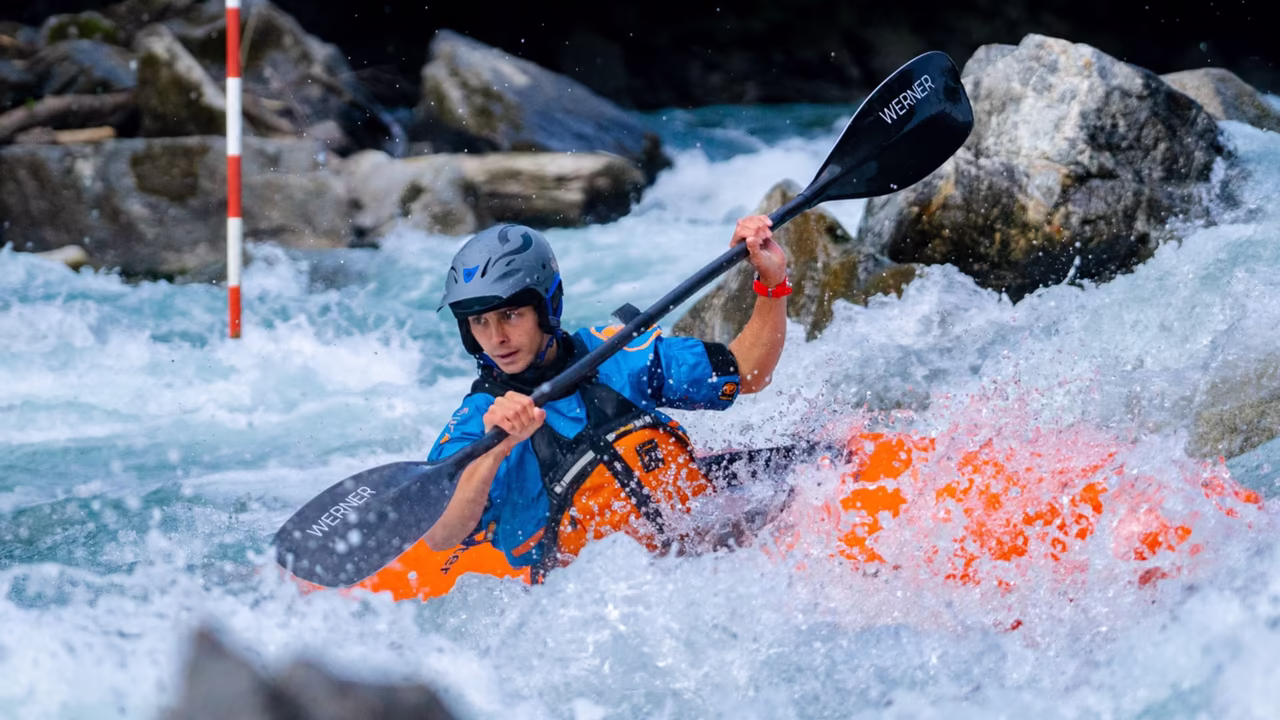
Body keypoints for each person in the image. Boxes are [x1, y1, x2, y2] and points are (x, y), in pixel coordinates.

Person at [423, 217, 790, 578]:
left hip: (703, 551)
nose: (496, 338)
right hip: (590, 598)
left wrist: (772, 282)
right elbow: (439, 535)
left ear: (547, 307)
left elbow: (748, 372)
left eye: (510, 315)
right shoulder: (479, 420)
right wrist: (495, 450)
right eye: (480, 322)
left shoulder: (617, 355)